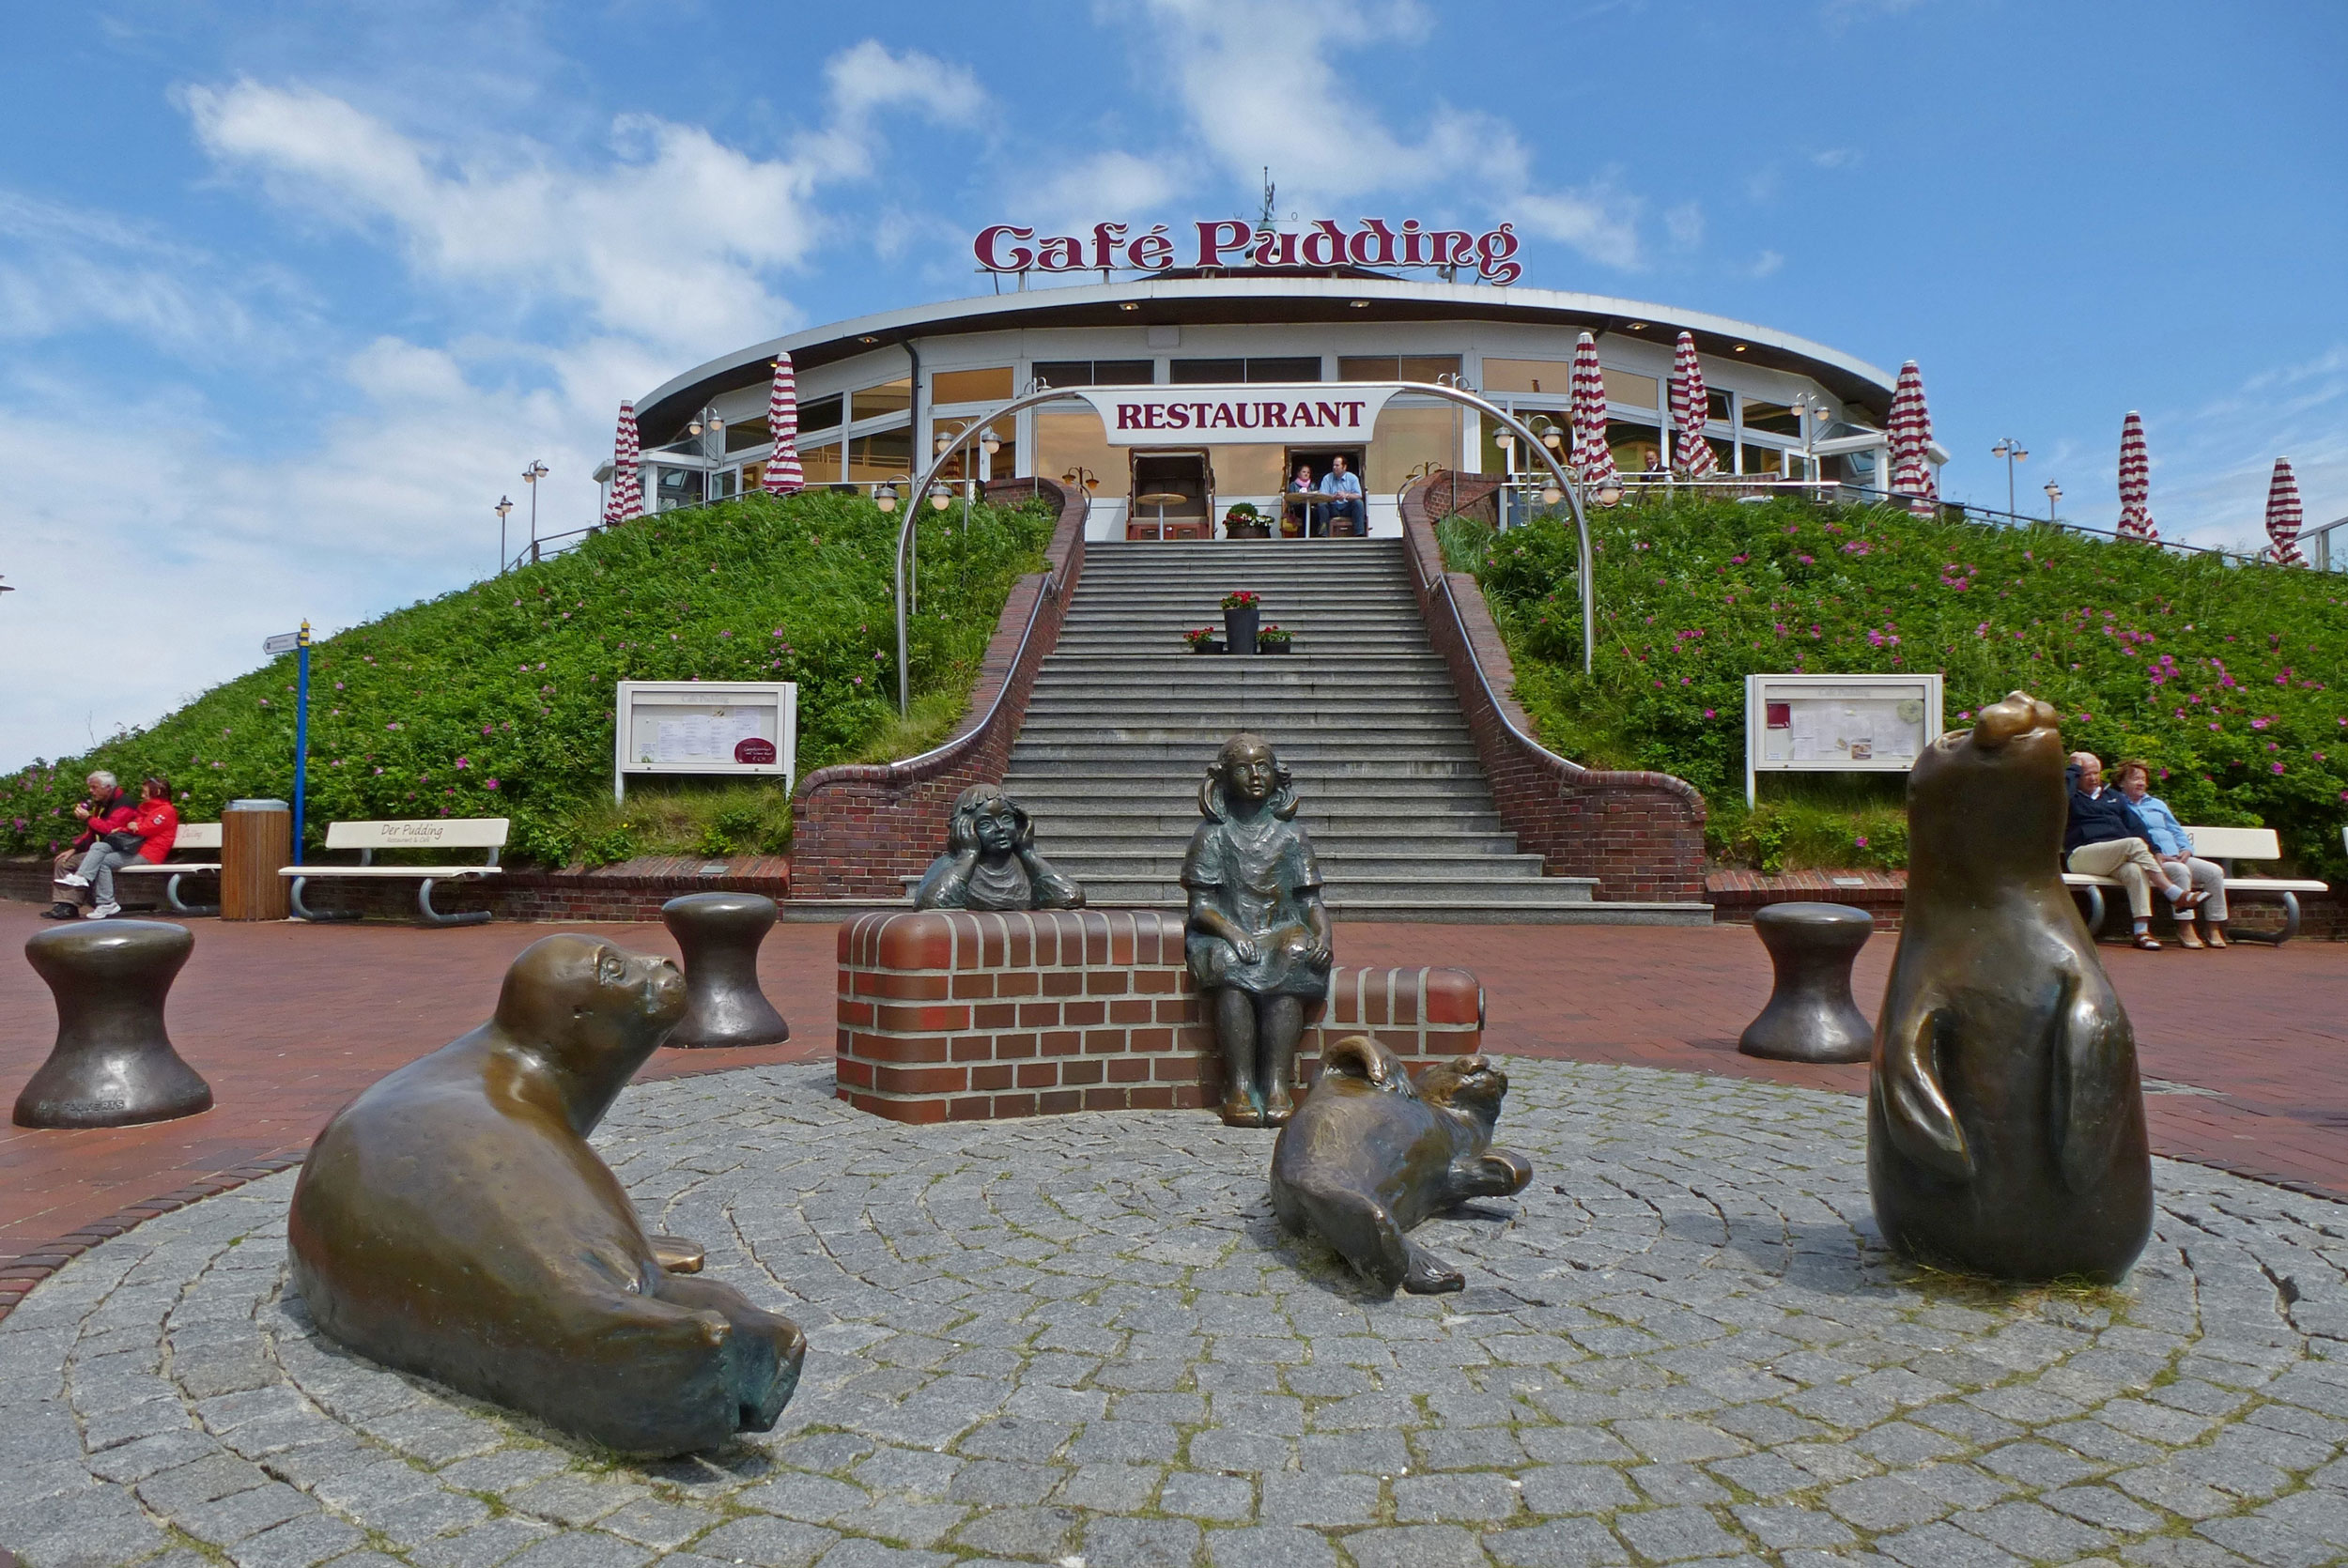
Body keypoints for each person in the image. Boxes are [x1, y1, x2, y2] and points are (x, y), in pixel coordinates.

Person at [1182, 733, 1333, 1128]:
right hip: (1227, 930)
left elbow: (1310, 902)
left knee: (1294, 956)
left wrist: (1323, 937)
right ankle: (1239, 1085)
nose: (1254, 776)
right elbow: (1201, 908)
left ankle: (1277, 1085)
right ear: (1224, 778)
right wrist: (1233, 933)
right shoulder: (1212, 835)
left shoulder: (1291, 835)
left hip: (1280, 929)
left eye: (1262, 767)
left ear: (1276, 776)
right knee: (1230, 966)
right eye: (1243, 768)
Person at [2064, 751, 2200, 949]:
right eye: (2086, 774)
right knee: (2134, 843)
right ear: (2077, 775)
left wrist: (2156, 851)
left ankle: (2141, 931)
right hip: (2082, 854)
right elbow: (2061, 798)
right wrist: (2073, 770)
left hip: (2114, 856)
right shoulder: (2069, 795)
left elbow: (2136, 826)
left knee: (2135, 871)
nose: (2093, 778)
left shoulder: (2113, 797)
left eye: (2096, 773)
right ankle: (2174, 894)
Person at [2112, 760, 2229, 949]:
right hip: (2151, 860)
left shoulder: (2157, 804)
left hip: (2177, 855)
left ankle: (2214, 927)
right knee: (2179, 871)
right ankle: (2185, 926)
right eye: (2135, 779)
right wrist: (2157, 853)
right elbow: (2126, 836)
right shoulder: (2118, 805)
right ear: (2121, 782)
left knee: (2214, 872)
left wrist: (2186, 849)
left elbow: (2175, 829)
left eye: (2143, 779)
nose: (2141, 783)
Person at [45, 771, 135, 919]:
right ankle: (66, 905)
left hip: (116, 850)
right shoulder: (101, 804)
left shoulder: (125, 804)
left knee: (94, 861)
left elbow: (110, 830)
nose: (91, 791)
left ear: (107, 787)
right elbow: (91, 832)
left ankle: (97, 902)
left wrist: (88, 818)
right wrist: (74, 849)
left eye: (94, 787)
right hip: (99, 850)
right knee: (63, 861)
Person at [1321, 453, 1365, 537]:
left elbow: (1359, 495)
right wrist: (1333, 497)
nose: (1334, 467)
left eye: (1337, 465)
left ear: (1344, 467)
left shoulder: (1352, 478)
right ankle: (1324, 533)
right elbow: (1322, 496)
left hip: (1347, 507)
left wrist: (1346, 495)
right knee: (1321, 505)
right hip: (1332, 507)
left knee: (1358, 503)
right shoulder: (1327, 478)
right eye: (1333, 465)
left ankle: (1359, 534)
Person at [1287, 462, 1321, 537]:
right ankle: (1306, 534)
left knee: (1316, 511)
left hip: (1311, 507)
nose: (1306, 474)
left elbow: (1317, 497)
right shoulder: (1293, 485)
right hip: (1297, 508)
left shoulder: (1313, 485)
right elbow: (1291, 499)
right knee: (1305, 509)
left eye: (1308, 472)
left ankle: (1314, 534)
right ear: (1299, 474)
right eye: (1304, 472)